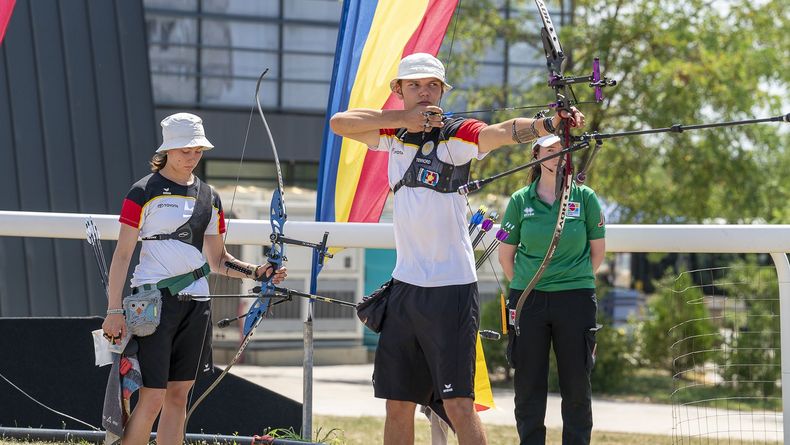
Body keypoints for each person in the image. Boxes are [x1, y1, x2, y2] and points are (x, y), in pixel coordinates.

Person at [329, 53, 585, 445]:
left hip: (450, 289)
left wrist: (546, 124)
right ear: (398, 90)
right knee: (397, 403)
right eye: (414, 85)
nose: (424, 91)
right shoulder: (391, 134)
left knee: (458, 404)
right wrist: (401, 120)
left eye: (432, 85)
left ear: (442, 91)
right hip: (405, 287)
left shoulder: (455, 134)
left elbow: (497, 132)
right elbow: (339, 123)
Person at [101, 113, 286, 445]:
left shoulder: (210, 197)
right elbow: (123, 254)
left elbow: (218, 259)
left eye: (197, 149)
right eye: (185, 149)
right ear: (168, 150)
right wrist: (114, 309)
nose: (192, 157)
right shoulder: (142, 191)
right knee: (152, 396)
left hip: (198, 304)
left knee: (179, 397)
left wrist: (255, 272)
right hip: (151, 303)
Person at [498, 134, 606, 445]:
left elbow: (597, 252)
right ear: (536, 155)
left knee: (576, 385)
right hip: (529, 299)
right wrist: (527, 286)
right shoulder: (520, 200)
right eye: (550, 150)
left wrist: (570, 279)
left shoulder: (585, 197)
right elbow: (507, 256)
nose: (557, 156)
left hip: (575, 299)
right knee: (528, 385)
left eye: (562, 150)